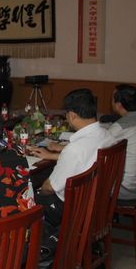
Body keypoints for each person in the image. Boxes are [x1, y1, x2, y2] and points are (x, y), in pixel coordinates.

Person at [31, 88, 115, 227]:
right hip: (98, 202)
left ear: (72, 115)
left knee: (25, 194)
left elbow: (50, 187)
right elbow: (87, 156)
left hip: (73, 210)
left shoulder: (74, 149)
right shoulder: (108, 136)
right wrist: (53, 156)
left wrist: (37, 190)